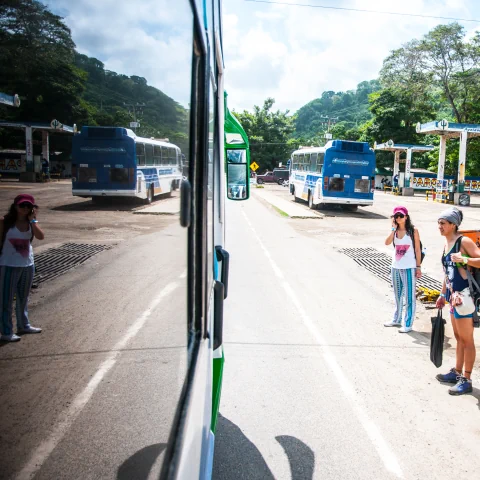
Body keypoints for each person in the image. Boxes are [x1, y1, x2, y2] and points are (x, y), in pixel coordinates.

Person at [436, 207, 480, 395]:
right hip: (453, 297)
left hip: (465, 297)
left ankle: (467, 379)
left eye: (443, 223)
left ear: (453, 224)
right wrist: (441, 294)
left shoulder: (464, 241)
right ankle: (457, 372)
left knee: (467, 339)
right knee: (459, 338)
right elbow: (448, 272)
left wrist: (464, 258)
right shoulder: (447, 243)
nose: (440, 226)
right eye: (439, 223)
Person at [0, 194, 45, 342]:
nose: (25, 208)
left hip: (27, 265)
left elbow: (40, 236)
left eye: (28, 206)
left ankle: (23, 325)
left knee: (23, 298)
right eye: (22, 205)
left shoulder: (31, 223)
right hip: (8, 265)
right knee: (5, 300)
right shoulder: (5, 222)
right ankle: (6, 331)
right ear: (15, 206)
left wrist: (33, 220)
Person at [384, 206, 422, 332]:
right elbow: (387, 243)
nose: (399, 218)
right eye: (396, 216)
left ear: (406, 217)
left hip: (409, 267)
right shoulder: (394, 231)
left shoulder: (413, 231)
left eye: (401, 216)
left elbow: (417, 249)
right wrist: (392, 229)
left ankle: (408, 323)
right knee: (397, 295)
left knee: (410, 297)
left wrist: (418, 266)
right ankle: (396, 319)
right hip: (395, 266)